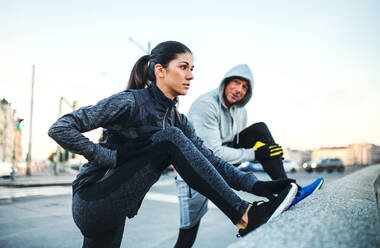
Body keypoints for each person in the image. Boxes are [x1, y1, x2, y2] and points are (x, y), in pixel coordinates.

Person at [48, 41, 298, 248]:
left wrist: (255, 184)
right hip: (93, 199)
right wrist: (110, 157)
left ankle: (248, 210)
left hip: (116, 206)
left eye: (192, 68)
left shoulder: (177, 119)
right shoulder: (131, 102)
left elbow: (209, 159)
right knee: (170, 139)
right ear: (160, 70)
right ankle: (244, 216)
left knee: (174, 138)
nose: (191, 75)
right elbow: (60, 128)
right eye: (184, 67)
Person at [173, 64, 324, 248]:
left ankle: (289, 188)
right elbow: (211, 154)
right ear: (225, 83)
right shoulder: (206, 105)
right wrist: (255, 154)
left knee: (260, 129)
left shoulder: (240, 111)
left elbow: (234, 144)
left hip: (223, 159)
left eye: (245, 87)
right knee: (188, 232)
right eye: (236, 83)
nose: (239, 90)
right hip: (195, 170)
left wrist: (268, 152)